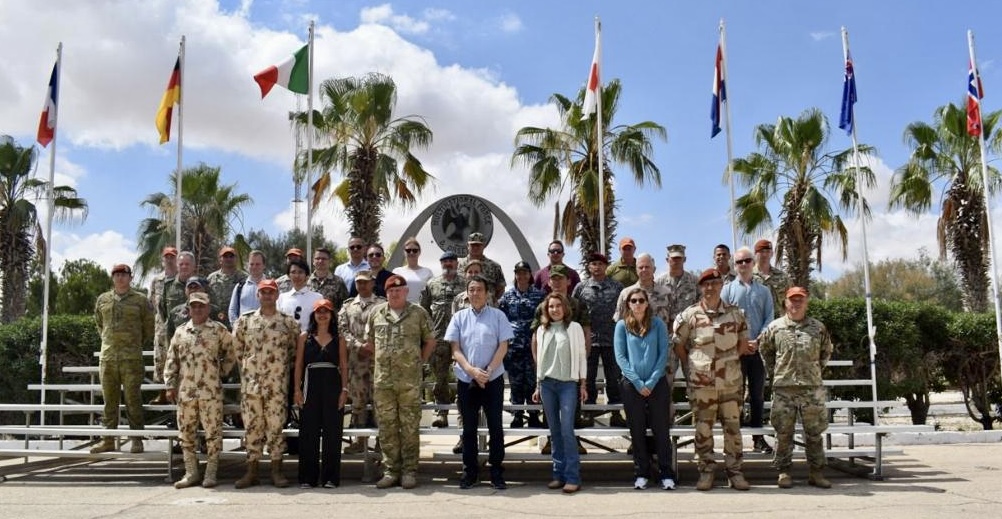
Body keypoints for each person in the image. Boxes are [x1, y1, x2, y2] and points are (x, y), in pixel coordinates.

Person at [673, 268, 752, 491]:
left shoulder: (735, 313)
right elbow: (679, 344)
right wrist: (692, 365)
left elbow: (743, 344)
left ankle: (735, 473)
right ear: (701, 287)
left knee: (733, 430)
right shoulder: (690, 315)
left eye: (715, 283)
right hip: (702, 384)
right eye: (706, 285)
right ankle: (706, 472)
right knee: (703, 429)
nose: (710, 288)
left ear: (721, 286)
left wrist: (729, 362)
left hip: (730, 383)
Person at [758, 286, 834, 489]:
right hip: (784, 388)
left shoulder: (818, 328)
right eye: (792, 300)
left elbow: (826, 352)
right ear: (786, 302)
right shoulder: (775, 328)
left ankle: (816, 473)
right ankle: (784, 472)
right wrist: (777, 373)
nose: (796, 303)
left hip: (811, 388)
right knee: (783, 433)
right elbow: (765, 352)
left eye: (800, 299)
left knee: (814, 433)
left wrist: (813, 371)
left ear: (806, 302)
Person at [366, 275, 436, 489]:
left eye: (399, 290)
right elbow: (370, 343)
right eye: (390, 291)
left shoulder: (418, 313)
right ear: (386, 293)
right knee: (387, 428)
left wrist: (418, 362)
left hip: (409, 383)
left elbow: (430, 340)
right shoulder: (376, 313)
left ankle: (409, 471)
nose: (394, 293)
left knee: (409, 427)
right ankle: (390, 471)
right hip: (383, 382)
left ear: (406, 291)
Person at [231, 279, 301, 489]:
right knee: (252, 428)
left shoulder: (288, 323)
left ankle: (276, 471)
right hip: (252, 385)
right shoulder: (245, 321)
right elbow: (238, 349)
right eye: (264, 292)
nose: (268, 295)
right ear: (258, 296)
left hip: (277, 387)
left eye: (271, 292)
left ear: (277, 295)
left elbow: (293, 352)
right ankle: (251, 471)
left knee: (276, 428)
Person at [447, 275, 514, 490]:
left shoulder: (498, 316)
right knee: (469, 429)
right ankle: (470, 472)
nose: (475, 293)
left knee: (495, 426)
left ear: (487, 293)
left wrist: (488, 371)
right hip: (467, 379)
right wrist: (471, 371)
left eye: (479, 290)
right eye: (472, 290)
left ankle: (496, 471)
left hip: (492, 379)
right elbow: (455, 349)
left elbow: (503, 346)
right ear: (467, 293)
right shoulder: (458, 317)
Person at [165, 292, 236, 489]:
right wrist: (170, 384)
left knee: (213, 433)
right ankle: (191, 472)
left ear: (208, 308)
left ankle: (211, 473)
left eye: (201, 306)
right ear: (189, 308)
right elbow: (172, 360)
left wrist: (221, 372)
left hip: (210, 392)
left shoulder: (218, 330)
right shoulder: (180, 332)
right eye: (194, 306)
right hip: (186, 391)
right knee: (186, 433)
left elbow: (231, 353)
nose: (197, 309)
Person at [614, 287, 675, 491]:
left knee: (661, 430)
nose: (638, 304)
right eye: (634, 301)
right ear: (628, 304)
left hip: (656, 384)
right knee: (637, 430)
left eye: (641, 300)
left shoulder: (657, 324)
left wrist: (650, 382)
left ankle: (667, 473)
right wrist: (638, 383)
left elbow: (662, 354)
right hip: (632, 386)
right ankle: (641, 473)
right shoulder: (622, 326)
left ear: (647, 303)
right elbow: (621, 358)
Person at [91, 263, 154, 454]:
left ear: (130, 277)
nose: (120, 278)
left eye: (123, 274)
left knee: (132, 400)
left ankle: (137, 439)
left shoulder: (141, 300)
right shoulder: (103, 299)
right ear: (112, 278)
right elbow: (99, 324)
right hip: (108, 357)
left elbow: (148, 327)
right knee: (109, 401)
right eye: (116, 274)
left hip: (132, 358)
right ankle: (108, 439)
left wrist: (133, 343)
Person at [721, 246, 775, 454]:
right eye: (739, 262)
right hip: (735, 351)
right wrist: (739, 343)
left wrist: (757, 341)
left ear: (753, 263)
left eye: (747, 261)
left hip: (758, 350)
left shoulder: (764, 291)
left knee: (757, 394)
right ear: (734, 266)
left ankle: (758, 437)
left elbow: (769, 318)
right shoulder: (728, 290)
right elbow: (723, 319)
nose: (743, 265)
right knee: (735, 394)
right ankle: (735, 439)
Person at [531, 292, 588, 494]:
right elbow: (540, 360)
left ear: (565, 308)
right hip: (547, 385)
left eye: (558, 306)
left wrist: (582, 384)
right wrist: (538, 385)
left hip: (568, 385)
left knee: (566, 430)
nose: (555, 309)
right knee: (554, 431)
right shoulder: (541, 330)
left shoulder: (574, 328)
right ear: (547, 310)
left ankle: (573, 477)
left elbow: (582, 356)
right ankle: (558, 474)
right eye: (551, 307)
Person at [294, 299, 349, 488]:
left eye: (326, 311)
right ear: (314, 315)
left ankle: (330, 477)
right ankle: (308, 477)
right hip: (310, 385)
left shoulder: (339, 338)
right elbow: (299, 365)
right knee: (308, 432)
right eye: (319, 311)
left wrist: (344, 390)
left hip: (332, 386)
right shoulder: (304, 337)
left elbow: (343, 365)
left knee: (332, 432)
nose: (322, 315)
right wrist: (297, 390)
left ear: (332, 315)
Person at [573, 253, 626, 427]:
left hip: (611, 339)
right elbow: (574, 311)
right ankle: (589, 412)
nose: (597, 267)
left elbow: (623, 312)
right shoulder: (581, 288)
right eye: (593, 264)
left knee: (614, 378)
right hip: (589, 340)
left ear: (606, 266)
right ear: (589, 267)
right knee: (588, 379)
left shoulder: (617, 287)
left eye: (600, 264)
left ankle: (616, 413)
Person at [339, 270, 386, 454]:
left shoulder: (383, 304)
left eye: (365, 282)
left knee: (380, 402)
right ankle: (360, 441)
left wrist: (373, 346)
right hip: (356, 365)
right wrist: (359, 346)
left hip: (378, 363)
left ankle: (382, 443)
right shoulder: (348, 306)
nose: (362, 285)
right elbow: (342, 330)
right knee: (358, 404)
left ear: (372, 283)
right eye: (359, 282)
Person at [420, 251, 465, 429]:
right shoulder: (432, 284)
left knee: (463, 377)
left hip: (460, 338)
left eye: (451, 261)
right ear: (441, 264)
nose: (448, 264)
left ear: (456, 263)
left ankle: (464, 416)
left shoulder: (465, 283)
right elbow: (423, 309)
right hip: (439, 337)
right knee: (439, 378)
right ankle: (442, 414)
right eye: (445, 261)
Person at [498, 261, 545, 428]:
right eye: (519, 272)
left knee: (532, 382)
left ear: (530, 275)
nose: (522, 276)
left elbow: (543, 319)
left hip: (533, 346)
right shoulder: (507, 297)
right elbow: (501, 320)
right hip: (514, 347)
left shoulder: (539, 296)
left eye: (525, 272)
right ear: (515, 275)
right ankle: (517, 414)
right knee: (516, 382)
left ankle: (533, 415)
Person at [149, 246, 177, 403]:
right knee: (161, 360)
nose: (169, 259)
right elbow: (151, 303)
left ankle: (174, 394)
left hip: (177, 327)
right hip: (160, 328)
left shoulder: (182, 279)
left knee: (176, 361)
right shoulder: (156, 280)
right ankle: (161, 393)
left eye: (172, 257)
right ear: (162, 259)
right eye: (167, 257)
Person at [655, 244, 700, 325]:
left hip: (688, 329)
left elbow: (700, 306)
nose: (676, 261)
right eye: (673, 258)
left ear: (685, 259)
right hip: (665, 331)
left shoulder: (694, 281)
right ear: (667, 259)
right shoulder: (658, 283)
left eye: (679, 258)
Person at [277, 258, 324, 332]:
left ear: (307, 275)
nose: (297, 276)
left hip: (309, 341)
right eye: (293, 272)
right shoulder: (282, 298)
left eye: (300, 272)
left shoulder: (318, 298)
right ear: (288, 276)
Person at [207, 246, 248, 329]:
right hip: (216, 323)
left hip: (237, 323)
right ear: (220, 259)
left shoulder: (245, 278)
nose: (228, 259)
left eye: (231, 256)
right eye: (225, 256)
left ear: (236, 259)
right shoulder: (211, 278)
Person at [459, 232, 506, 300]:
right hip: (463, 304)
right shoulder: (458, 265)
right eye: (473, 245)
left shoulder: (494, 266)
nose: (475, 248)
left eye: (478, 245)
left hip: (488, 305)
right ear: (467, 246)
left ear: (483, 246)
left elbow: (501, 288)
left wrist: (492, 301)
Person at [752, 239, 792, 318]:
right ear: (755, 254)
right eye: (761, 252)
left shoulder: (782, 277)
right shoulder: (748, 277)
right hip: (756, 323)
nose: (765, 255)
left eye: (767, 252)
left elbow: (790, 300)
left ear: (772, 254)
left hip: (778, 324)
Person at [228, 249, 267, 324]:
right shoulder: (240, 286)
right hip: (243, 332)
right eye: (251, 264)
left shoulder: (271, 287)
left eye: (257, 264)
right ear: (247, 265)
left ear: (264, 265)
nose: (254, 267)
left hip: (264, 332)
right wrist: (237, 328)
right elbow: (232, 310)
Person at [393, 237, 435, 303]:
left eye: (415, 250)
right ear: (404, 252)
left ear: (419, 252)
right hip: (402, 310)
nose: (411, 253)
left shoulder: (427, 272)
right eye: (408, 250)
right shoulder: (397, 272)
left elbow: (432, 294)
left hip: (421, 311)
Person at [307, 247, 350, 311]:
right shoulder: (306, 281)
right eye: (317, 258)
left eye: (324, 259)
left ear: (329, 261)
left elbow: (345, 305)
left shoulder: (338, 282)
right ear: (313, 261)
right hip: (310, 320)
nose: (320, 261)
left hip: (333, 320)